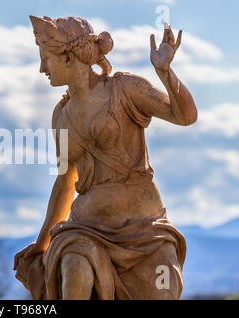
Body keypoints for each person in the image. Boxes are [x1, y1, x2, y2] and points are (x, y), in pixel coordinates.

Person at [13, 16, 197, 300]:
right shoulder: (60, 116)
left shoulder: (125, 89)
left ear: (68, 57)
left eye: (45, 58)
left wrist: (165, 72)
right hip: (84, 232)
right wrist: (43, 241)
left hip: (146, 234)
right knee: (74, 270)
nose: (41, 68)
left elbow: (185, 116)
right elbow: (65, 182)